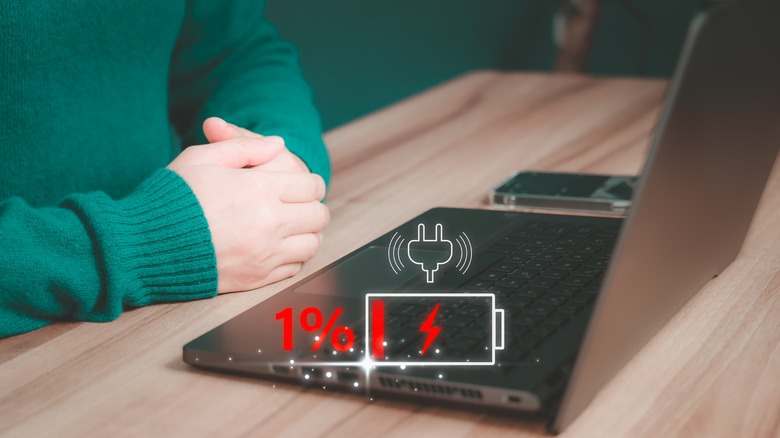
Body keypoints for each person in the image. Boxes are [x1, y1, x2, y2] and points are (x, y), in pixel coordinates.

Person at [0, 1, 331, 337]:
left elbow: (230, 49)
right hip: (30, 353)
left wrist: (270, 155)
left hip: (182, 302)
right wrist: (142, 242)